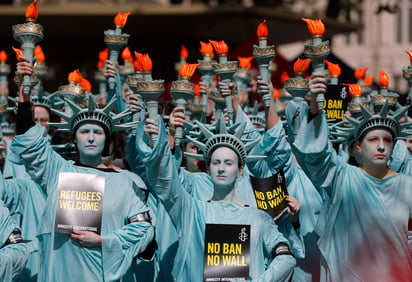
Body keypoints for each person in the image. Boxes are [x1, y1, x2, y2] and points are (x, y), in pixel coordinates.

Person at [12, 56, 155, 281]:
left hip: (98, 273)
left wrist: (104, 241)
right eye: (84, 132)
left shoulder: (124, 182)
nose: (90, 137)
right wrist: (24, 95)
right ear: (74, 139)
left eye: (97, 132)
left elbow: (145, 229)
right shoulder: (58, 171)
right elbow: (31, 142)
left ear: (106, 140)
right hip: (59, 272)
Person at [134, 108, 296, 281]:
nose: (221, 168)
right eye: (216, 163)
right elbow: (166, 181)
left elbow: (286, 257)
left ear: (240, 170)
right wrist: (166, 139)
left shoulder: (258, 217)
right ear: (208, 168)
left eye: (228, 163)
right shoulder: (192, 212)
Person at [291, 72, 412, 281]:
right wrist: (315, 106)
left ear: (394, 146)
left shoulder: (407, 185)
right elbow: (318, 157)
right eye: (373, 139)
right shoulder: (341, 178)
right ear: (358, 146)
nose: (381, 146)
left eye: (387, 140)